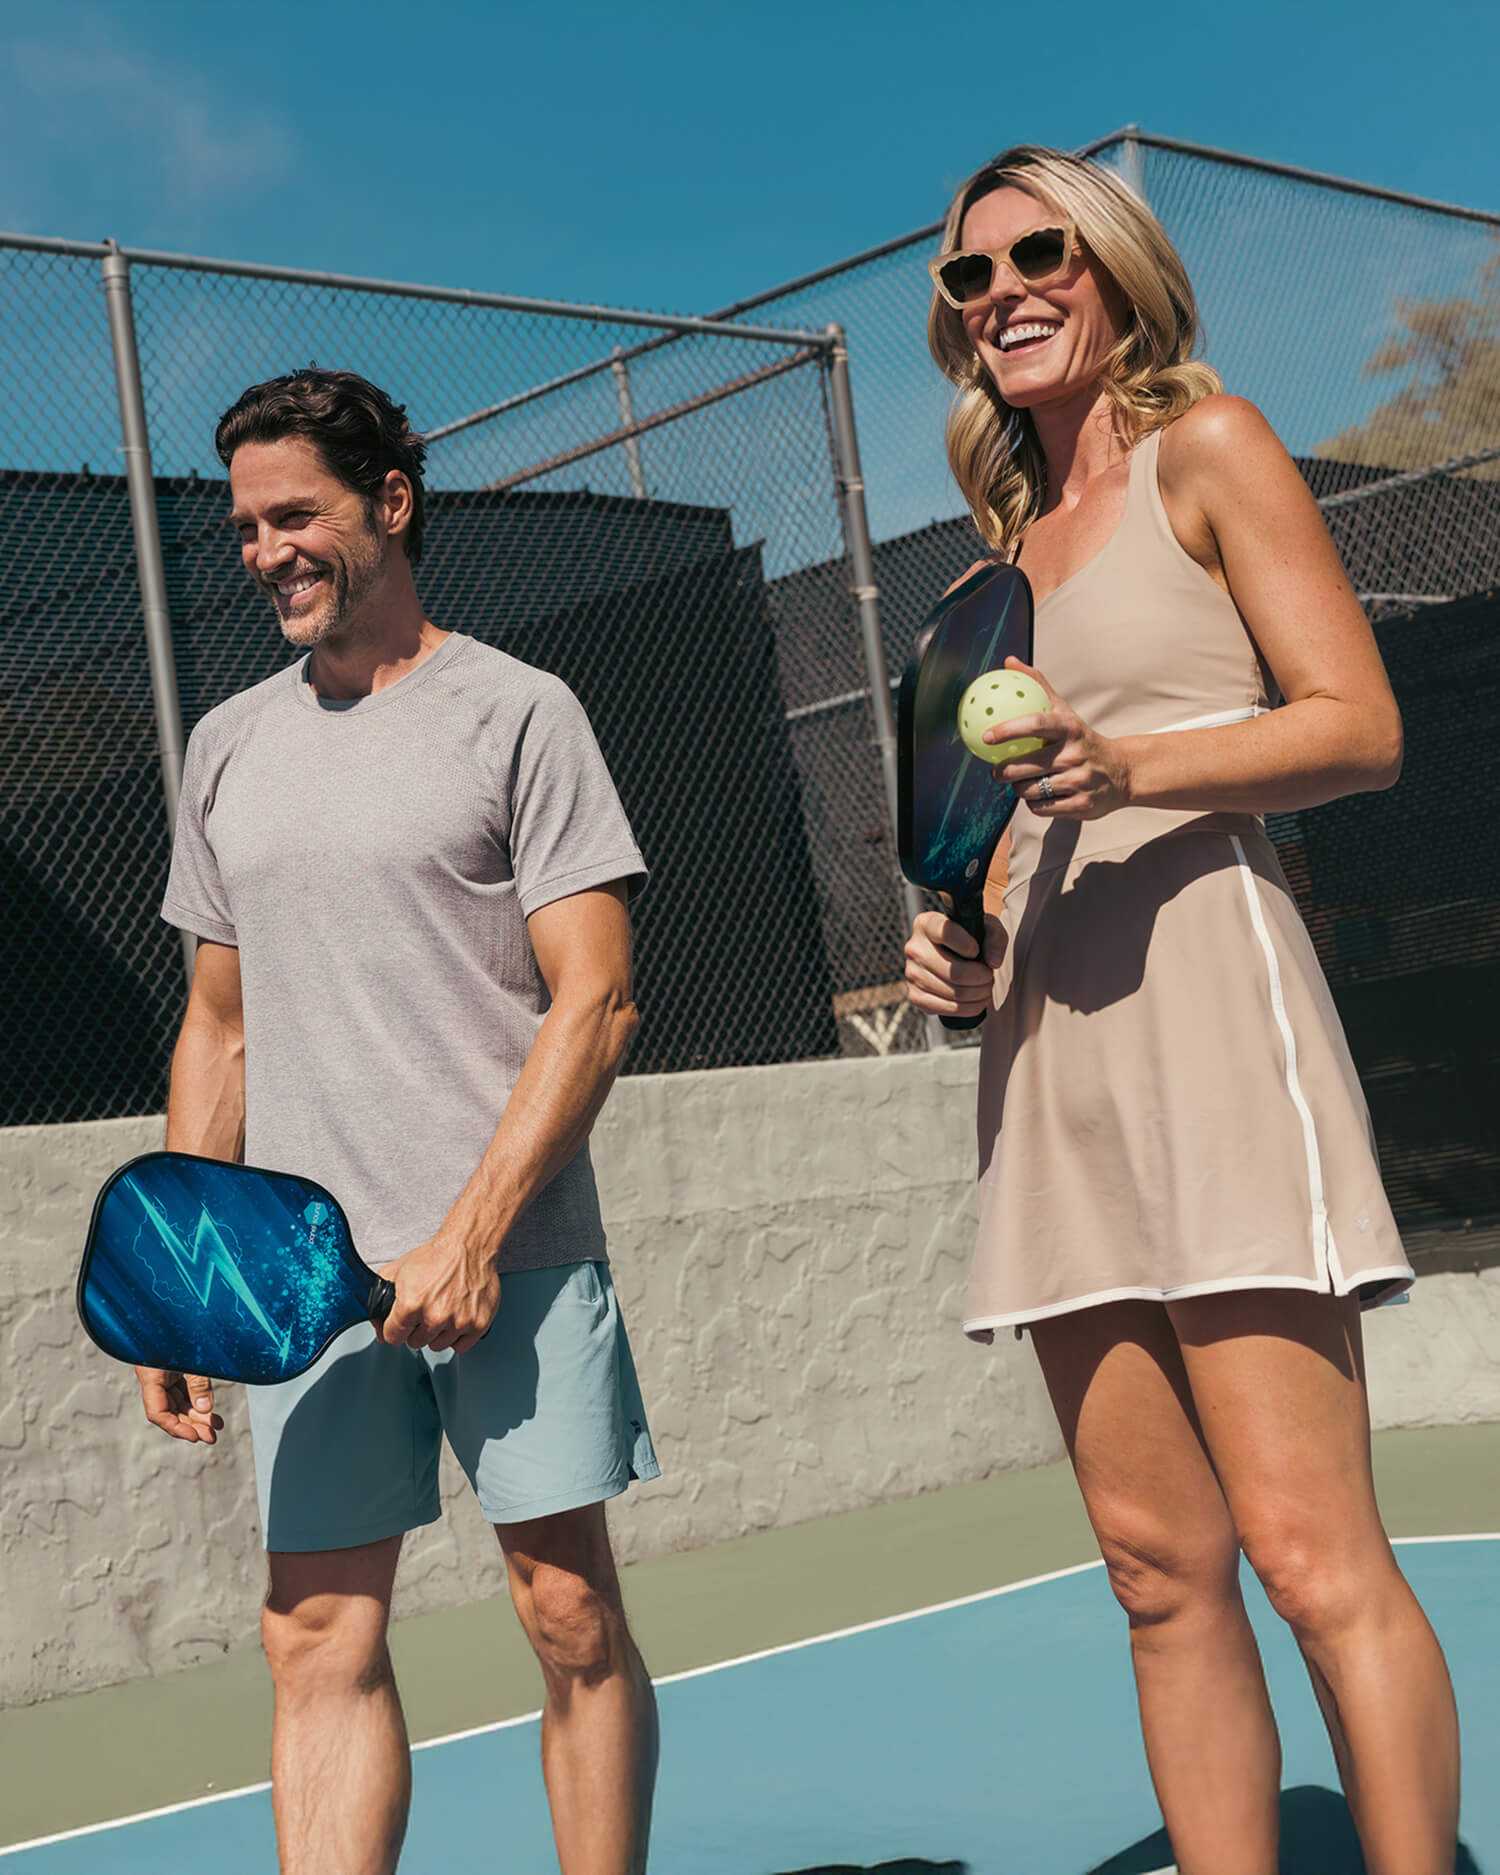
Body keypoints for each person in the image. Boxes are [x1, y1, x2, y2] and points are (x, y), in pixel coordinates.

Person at [904, 147, 1459, 1875]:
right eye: (970, 278)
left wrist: (1131, 760)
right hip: (1047, 1067)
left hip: (1215, 1015)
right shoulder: (980, 572)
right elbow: (983, 847)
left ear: (1120, 267)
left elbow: (1359, 726)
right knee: (1159, 1573)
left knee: (1311, 1557)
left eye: (1038, 254)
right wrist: (960, 954)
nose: (1003, 294)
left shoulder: (1209, 454)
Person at [136, 368, 660, 1875]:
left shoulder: (520, 714)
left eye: (292, 513)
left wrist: (474, 1231)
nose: (263, 550)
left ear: (390, 505)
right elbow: (219, 1027)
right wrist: (190, 1273)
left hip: (519, 1254)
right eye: (242, 527)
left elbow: (598, 1003)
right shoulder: (227, 745)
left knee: (566, 1613)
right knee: (313, 1634)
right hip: (308, 1282)